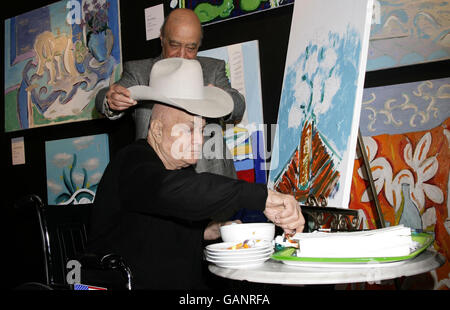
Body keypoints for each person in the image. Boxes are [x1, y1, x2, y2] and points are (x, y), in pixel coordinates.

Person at [88, 58, 304, 290]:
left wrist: (204, 232)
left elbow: (153, 225)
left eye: (201, 130)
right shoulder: (132, 160)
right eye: (188, 129)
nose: (200, 140)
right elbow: (167, 192)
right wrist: (263, 197)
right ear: (157, 130)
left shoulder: (176, 170)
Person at [95, 8, 244, 179]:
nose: (182, 55)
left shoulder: (212, 69)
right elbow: (102, 99)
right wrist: (110, 101)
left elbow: (239, 105)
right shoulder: (139, 72)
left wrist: (224, 99)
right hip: (158, 179)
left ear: (199, 45)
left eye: (191, 48)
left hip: (211, 174)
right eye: (174, 45)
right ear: (162, 40)